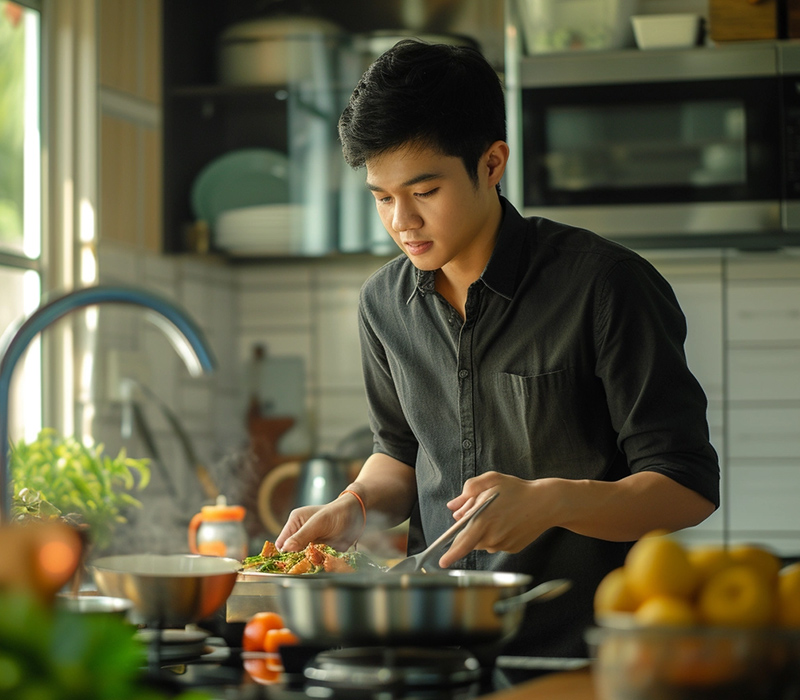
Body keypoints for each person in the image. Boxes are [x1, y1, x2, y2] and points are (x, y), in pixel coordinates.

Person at [274, 39, 719, 660]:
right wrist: (354, 506)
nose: (401, 220)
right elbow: (398, 456)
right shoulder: (382, 304)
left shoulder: (605, 285)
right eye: (382, 196)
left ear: (491, 163)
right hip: (431, 647)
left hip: (578, 651)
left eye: (424, 191)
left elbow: (687, 486)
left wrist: (551, 502)